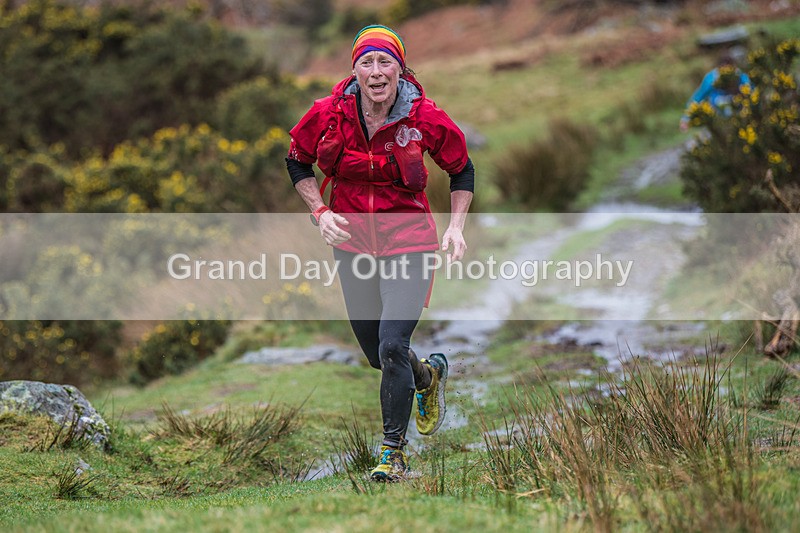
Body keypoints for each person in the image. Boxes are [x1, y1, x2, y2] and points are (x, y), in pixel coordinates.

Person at [285, 24, 475, 481]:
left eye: (384, 61)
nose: (375, 72)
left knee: (393, 344)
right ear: (354, 69)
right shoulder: (328, 113)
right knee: (377, 354)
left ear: (399, 69)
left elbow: (462, 170)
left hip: (408, 239)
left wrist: (455, 227)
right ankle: (428, 378)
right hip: (351, 242)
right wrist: (320, 211)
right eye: (366, 62)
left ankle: (393, 453)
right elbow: (297, 158)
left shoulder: (425, 117)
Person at [680, 54, 751, 131]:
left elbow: (751, 91)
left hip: (740, 115)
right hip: (718, 117)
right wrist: (685, 119)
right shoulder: (712, 78)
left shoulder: (740, 76)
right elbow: (698, 97)